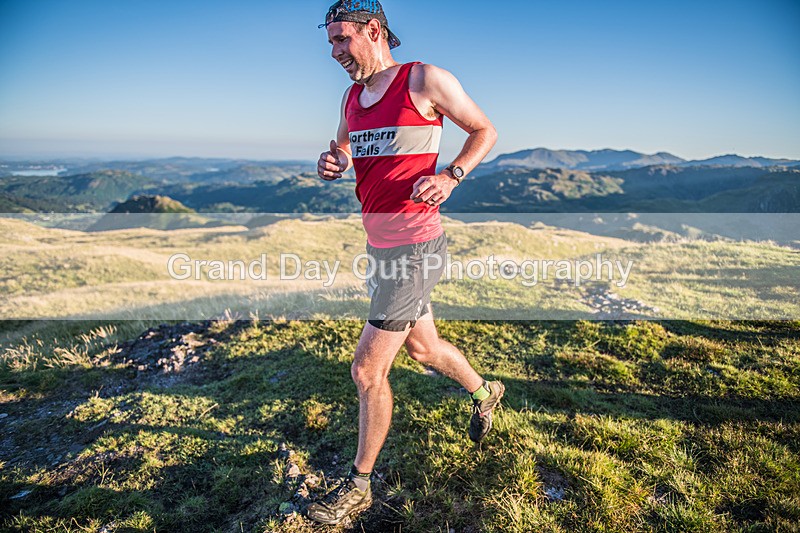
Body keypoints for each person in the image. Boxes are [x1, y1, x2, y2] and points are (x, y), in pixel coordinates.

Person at [308, 0, 502, 525]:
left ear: (374, 30)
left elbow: (484, 130)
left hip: (417, 247)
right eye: (330, 42)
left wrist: (451, 176)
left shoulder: (424, 80)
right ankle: (487, 392)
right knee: (424, 348)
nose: (334, 52)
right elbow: (347, 150)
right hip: (381, 247)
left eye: (341, 39)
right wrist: (335, 162)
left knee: (367, 369)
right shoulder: (352, 98)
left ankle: (359, 486)